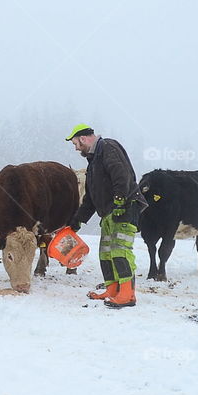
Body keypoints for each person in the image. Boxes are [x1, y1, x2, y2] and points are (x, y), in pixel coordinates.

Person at [66, 124, 147, 308]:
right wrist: (77, 221)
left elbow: (122, 174)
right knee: (106, 253)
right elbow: (90, 199)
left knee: (120, 250)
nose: (76, 148)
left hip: (125, 209)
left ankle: (127, 294)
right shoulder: (93, 162)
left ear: (83, 138)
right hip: (109, 214)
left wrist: (120, 199)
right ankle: (112, 290)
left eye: (75, 143)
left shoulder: (108, 147)